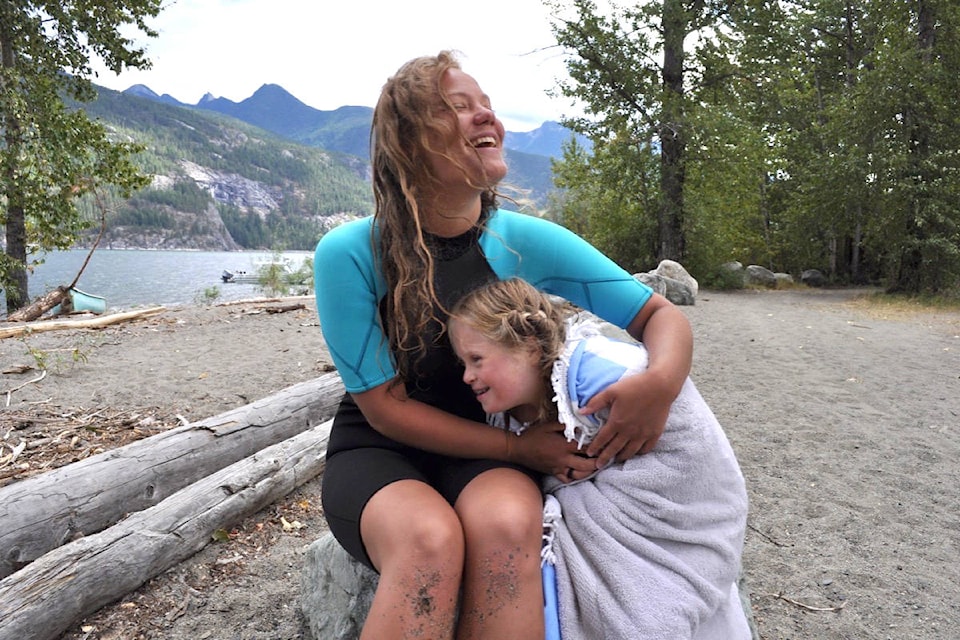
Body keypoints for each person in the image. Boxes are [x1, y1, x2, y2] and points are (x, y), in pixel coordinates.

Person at [313, 50, 695, 639]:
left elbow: (657, 315)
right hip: (379, 452)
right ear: (409, 143)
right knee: (429, 541)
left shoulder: (522, 241)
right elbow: (384, 408)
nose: (484, 116)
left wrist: (660, 383)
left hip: (487, 452)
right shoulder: (350, 253)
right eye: (458, 107)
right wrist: (518, 453)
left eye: (486, 105)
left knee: (509, 527)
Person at [448, 278, 751, 639]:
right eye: (463, 363)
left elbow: (692, 451)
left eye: (477, 359)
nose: (467, 376)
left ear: (529, 346)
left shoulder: (600, 375)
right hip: (609, 512)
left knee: (648, 617)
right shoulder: (508, 411)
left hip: (679, 518)